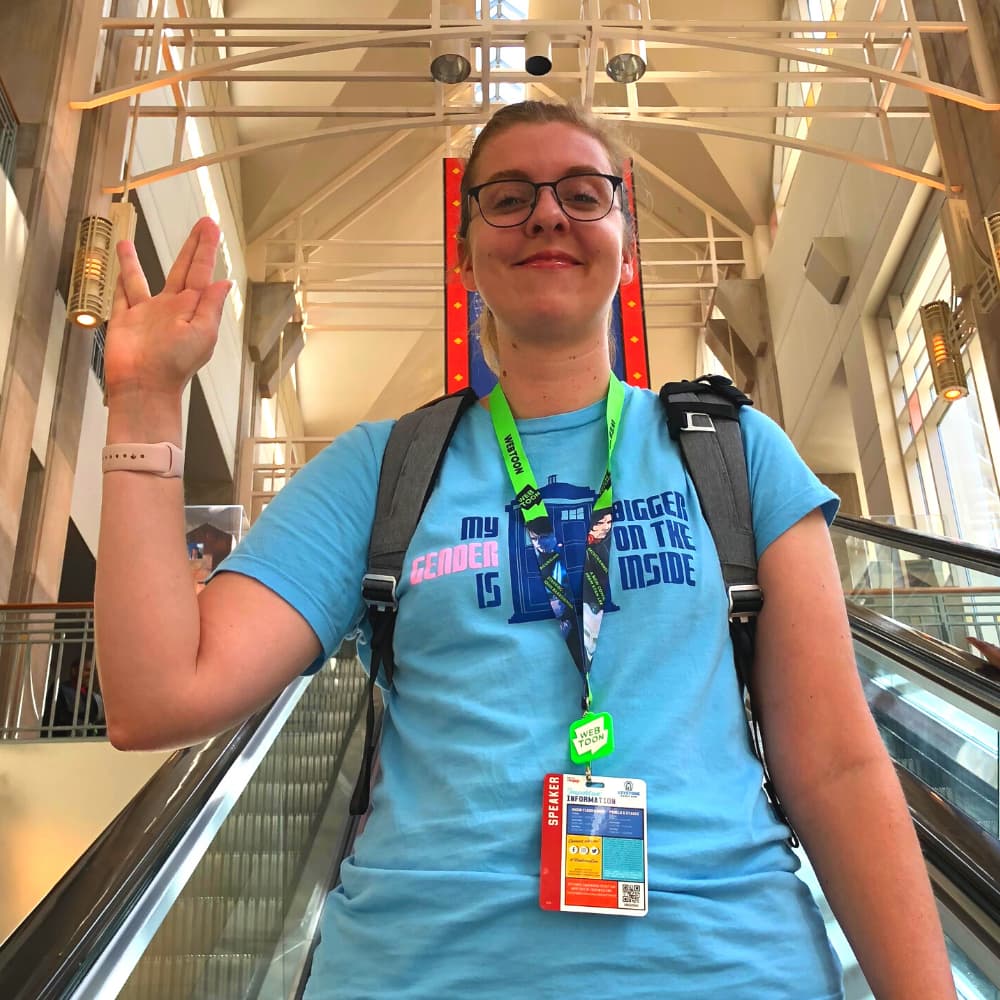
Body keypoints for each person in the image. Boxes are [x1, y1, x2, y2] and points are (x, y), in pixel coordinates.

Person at [96, 101, 957, 998]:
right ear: (463, 252)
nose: (548, 214)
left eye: (585, 193)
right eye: (508, 197)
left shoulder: (735, 453)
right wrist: (147, 400)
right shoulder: (381, 471)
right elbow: (157, 697)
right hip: (417, 970)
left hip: (728, 965)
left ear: (629, 241)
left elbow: (838, 765)